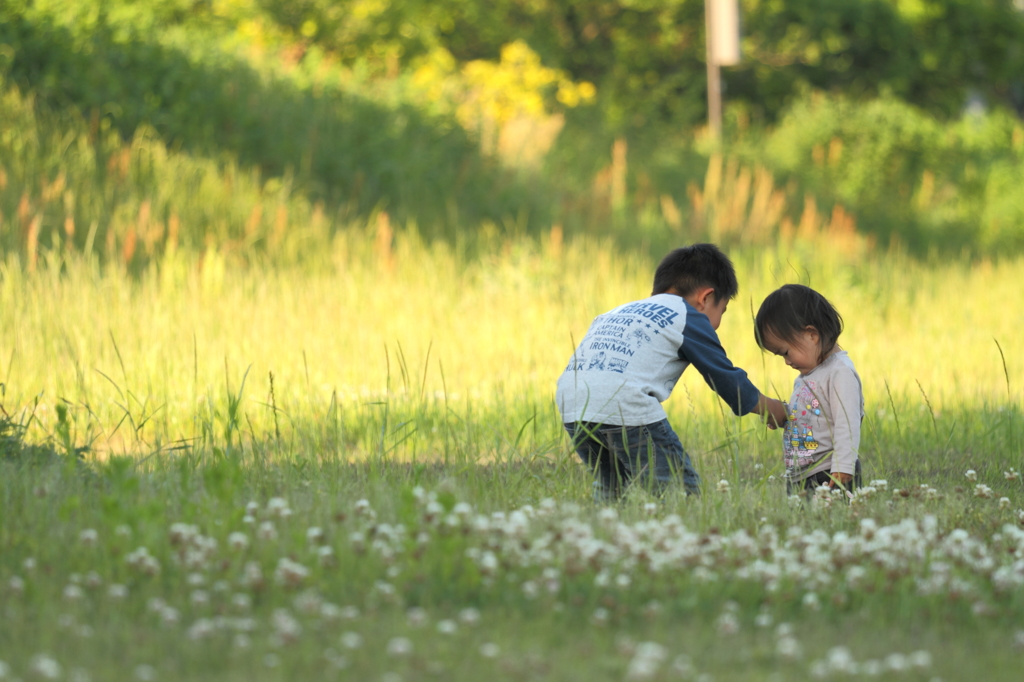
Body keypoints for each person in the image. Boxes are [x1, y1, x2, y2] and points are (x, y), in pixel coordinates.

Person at [556, 243, 787, 502]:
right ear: (706, 298)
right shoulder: (687, 315)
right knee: (679, 492)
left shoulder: (616, 311)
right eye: (721, 312)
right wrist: (770, 407)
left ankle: (603, 532)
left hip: (573, 405)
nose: (718, 323)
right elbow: (723, 375)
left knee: (612, 489)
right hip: (626, 404)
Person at [754, 284, 865, 496]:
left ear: (811, 335)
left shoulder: (839, 372)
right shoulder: (808, 375)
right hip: (801, 474)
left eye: (785, 352)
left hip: (829, 473)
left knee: (832, 524)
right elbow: (813, 413)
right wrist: (786, 415)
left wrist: (843, 466)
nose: (786, 362)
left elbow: (847, 422)